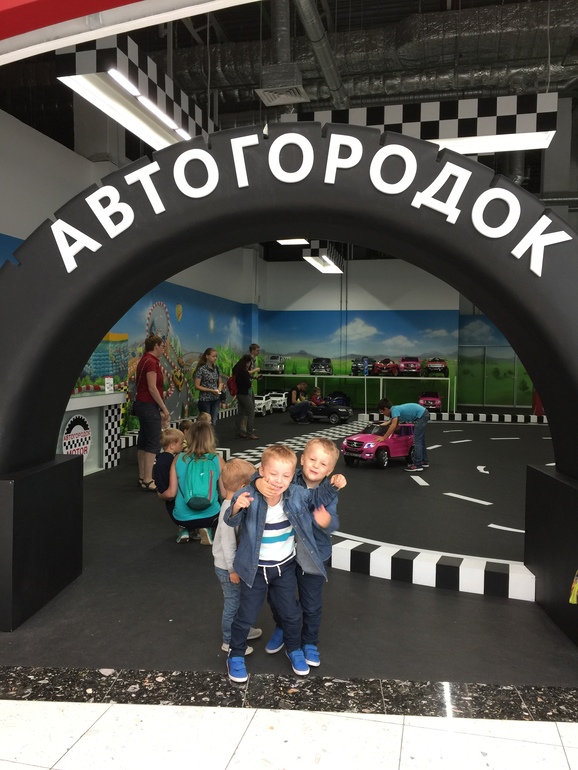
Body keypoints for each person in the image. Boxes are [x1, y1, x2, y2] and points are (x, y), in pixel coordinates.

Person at [223, 444, 345, 684]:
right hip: (256, 570)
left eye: (286, 476)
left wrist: (334, 485)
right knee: (246, 615)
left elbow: (316, 497)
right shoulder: (250, 494)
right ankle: (235, 654)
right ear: (261, 472)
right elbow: (231, 519)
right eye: (273, 474)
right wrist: (238, 505)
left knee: (291, 613)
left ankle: (295, 648)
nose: (279, 481)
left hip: (284, 567)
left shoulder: (296, 493)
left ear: (292, 477)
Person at [258, 438, 341, 668]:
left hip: (313, 555)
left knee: (311, 603)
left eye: (323, 464)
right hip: (283, 554)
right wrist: (258, 483)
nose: (316, 466)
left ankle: (310, 641)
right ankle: (283, 626)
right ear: (302, 459)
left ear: (330, 470)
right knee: (277, 597)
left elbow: (333, 522)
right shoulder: (288, 478)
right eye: (312, 459)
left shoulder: (329, 491)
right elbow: (264, 472)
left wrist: (326, 522)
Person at [213, 458, 263, 654]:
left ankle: (242, 630)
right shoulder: (228, 510)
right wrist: (233, 570)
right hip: (228, 568)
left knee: (241, 599)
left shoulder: (232, 504)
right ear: (243, 488)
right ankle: (229, 640)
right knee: (233, 602)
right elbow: (228, 544)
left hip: (232, 565)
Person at [166, 421, 225, 545]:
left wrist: (161, 495)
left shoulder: (178, 458)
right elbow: (225, 494)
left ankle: (183, 529)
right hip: (211, 516)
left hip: (183, 517)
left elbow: (171, 493)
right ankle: (207, 528)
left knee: (169, 501)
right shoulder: (217, 459)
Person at [133, 334, 171, 491]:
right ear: (156, 346)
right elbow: (152, 388)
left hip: (142, 405)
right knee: (153, 442)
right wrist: (164, 408)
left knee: (144, 440)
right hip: (148, 405)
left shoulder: (144, 360)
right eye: (162, 346)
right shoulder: (151, 362)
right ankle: (148, 479)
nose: (163, 349)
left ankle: (142, 477)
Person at [154, 427, 200, 543]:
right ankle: (191, 529)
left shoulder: (160, 460)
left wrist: (161, 492)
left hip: (167, 493)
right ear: (172, 445)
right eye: (181, 443)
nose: (183, 445)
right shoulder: (175, 460)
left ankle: (183, 530)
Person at [377, 398, 430, 472]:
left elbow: (393, 425)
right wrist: (386, 423)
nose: (383, 414)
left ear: (385, 409)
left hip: (421, 415)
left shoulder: (394, 410)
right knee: (421, 440)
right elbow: (393, 421)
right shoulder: (395, 409)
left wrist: (383, 437)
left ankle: (417, 465)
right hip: (423, 413)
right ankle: (424, 461)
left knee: (417, 441)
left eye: (382, 412)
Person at [193, 348, 224, 426]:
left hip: (216, 399)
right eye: (213, 356)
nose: (215, 358)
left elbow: (220, 382)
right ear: (207, 356)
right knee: (205, 422)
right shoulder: (201, 369)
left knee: (213, 421)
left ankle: (211, 434)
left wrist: (219, 389)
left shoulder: (217, 368)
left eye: (216, 356)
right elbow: (197, 386)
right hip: (205, 400)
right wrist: (210, 390)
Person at [232, 354, 258, 439]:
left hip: (239, 393)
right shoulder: (244, 372)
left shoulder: (238, 370)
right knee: (251, 412)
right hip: (245, 394)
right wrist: (250, 384)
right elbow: (247, 384)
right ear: (248, 362)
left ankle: (239, 431)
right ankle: (250, 432)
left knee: (241, 412)